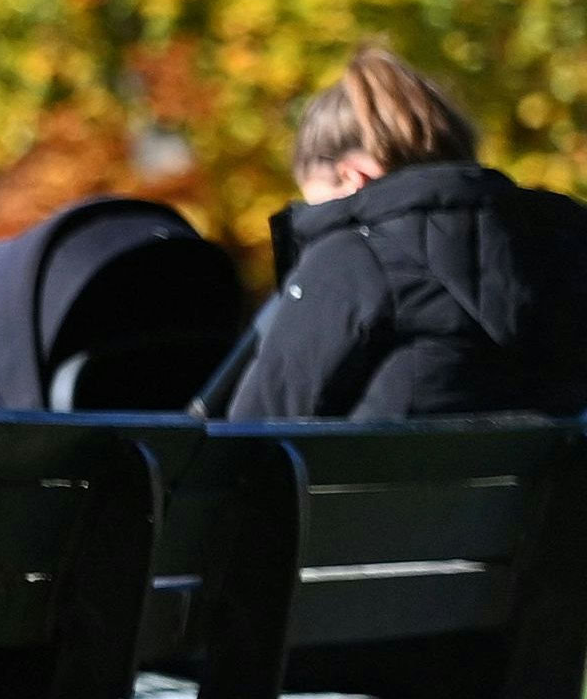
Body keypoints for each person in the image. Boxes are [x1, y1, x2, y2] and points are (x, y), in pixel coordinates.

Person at [226, 45, 587, 421]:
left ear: (354, 177)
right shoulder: (569, 238)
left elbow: (251, 432)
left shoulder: (353, 256)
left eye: (319, 211)